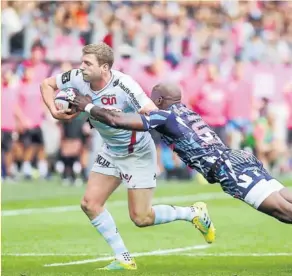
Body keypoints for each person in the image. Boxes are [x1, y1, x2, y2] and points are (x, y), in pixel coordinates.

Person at [40, 43, 216, 271]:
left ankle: (193, 212)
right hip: (111, 150)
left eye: (87, 64)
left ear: (104, 68)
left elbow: (153, 111)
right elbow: (46, 84)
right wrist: (54, 110)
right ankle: (123, 258)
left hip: (137, 153)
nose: (81, 68)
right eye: (82, 62)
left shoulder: (124, 85)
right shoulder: (76, 77)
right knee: (90, 204)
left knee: (141, 218)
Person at [68, 82, 292, 225]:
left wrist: (88, 106)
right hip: (238, 158)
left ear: (158, 101)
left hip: (228, 169)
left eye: (150, 98)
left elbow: (117, 121)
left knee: (285, 213)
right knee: (283, 195)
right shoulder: (187, 111)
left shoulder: (164, 116)